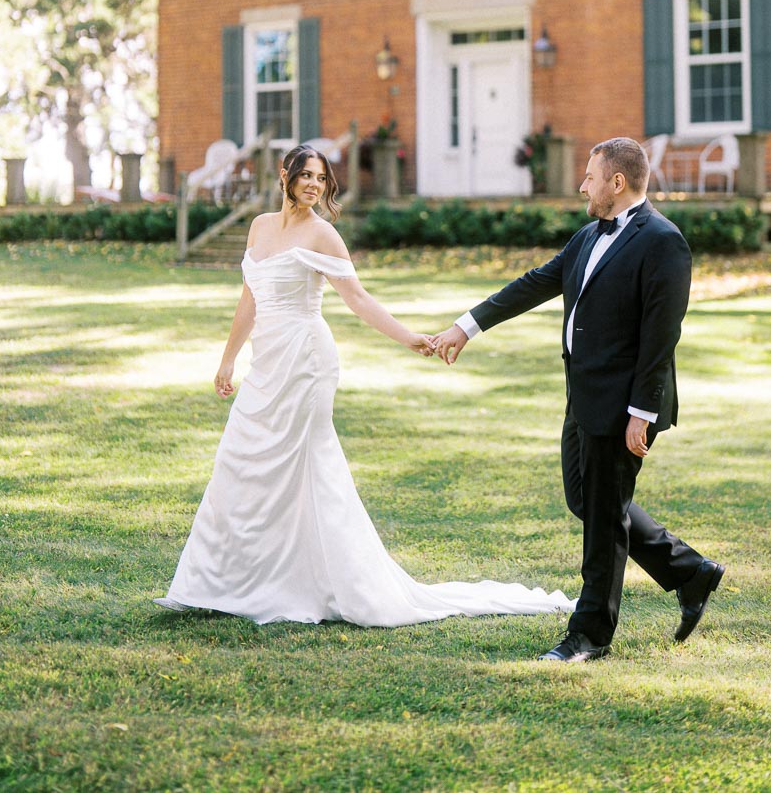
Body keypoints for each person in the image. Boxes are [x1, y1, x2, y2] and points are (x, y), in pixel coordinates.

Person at [154, 144, 574, 628]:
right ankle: (224, 581)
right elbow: (249, 300)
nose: (314, 185)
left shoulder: (323, 234)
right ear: (285, 175)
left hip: (306, 361)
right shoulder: (259, 228)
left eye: (322, 178)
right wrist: (228, 360)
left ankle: (325, 582)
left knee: (307, 466)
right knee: (241, 459)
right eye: (306, 175)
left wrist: (409, 337)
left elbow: (357, 299)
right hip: (265, 363)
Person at [431, 136, 725, 662]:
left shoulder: (663, 241)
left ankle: (589, 634)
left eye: (589, 176)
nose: (581, 185)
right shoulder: (588, 235)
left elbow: (662, 335)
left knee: (604, 518)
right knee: (587, 501)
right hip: (583, 395)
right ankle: (689, 571)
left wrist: (644, 412)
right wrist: (466, 326)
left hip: (626, 405)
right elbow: (535, 283)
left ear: (617, 182)